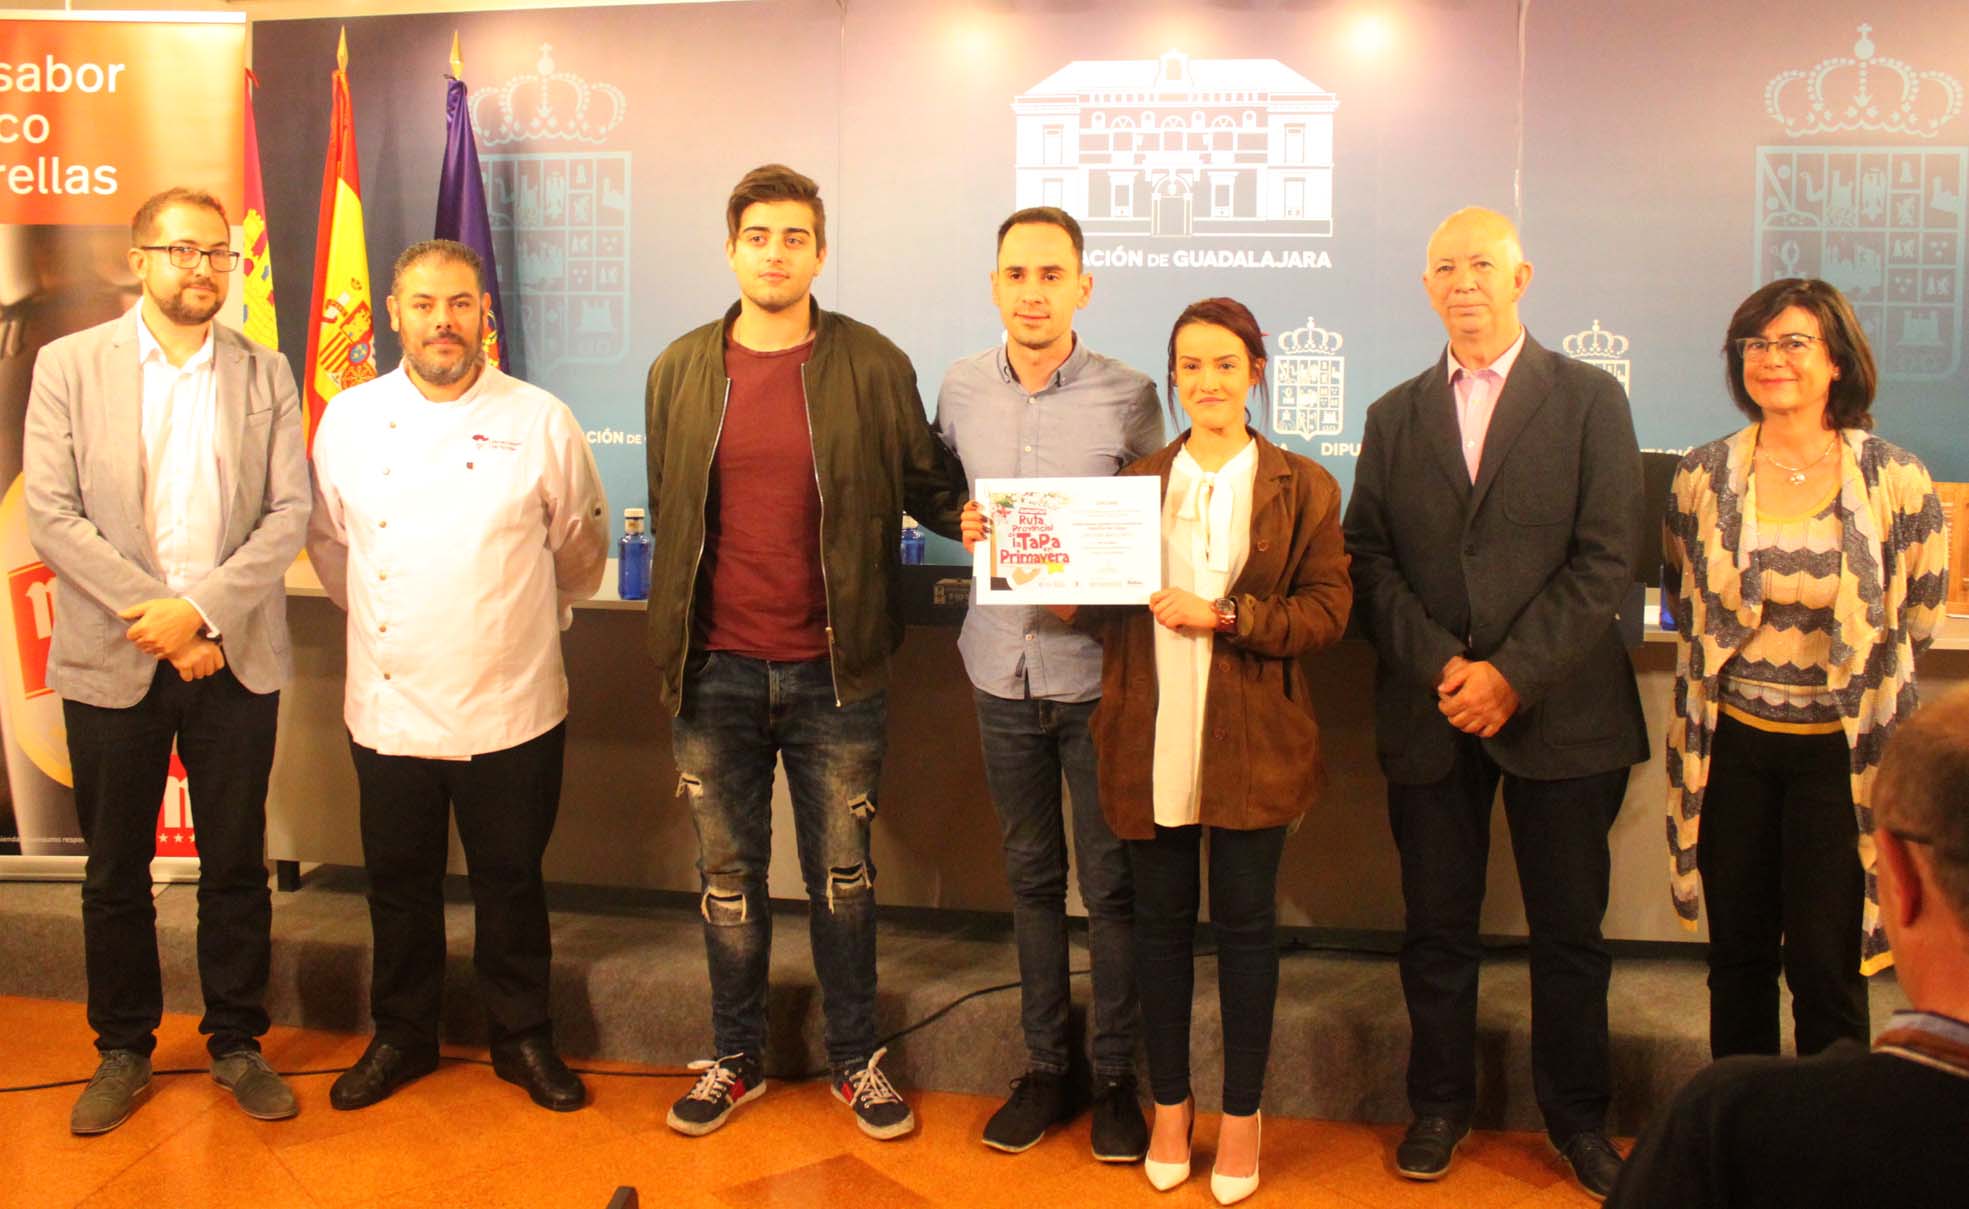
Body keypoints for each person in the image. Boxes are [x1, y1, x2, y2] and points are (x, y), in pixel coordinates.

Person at [644, 164, 967, 1140]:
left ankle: (854, 1059)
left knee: (843, 880)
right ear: (731, 249)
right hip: (714, 672)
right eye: (758, 236)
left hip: (838, 673)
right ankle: (734, 1058)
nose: (775, 253)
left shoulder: (873, 363)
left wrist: (1020, 525)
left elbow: (930, 489)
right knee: (727, 880)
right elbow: (670, 507)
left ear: (820, 254)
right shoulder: (679, 369)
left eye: (794, 237)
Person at [1342, 206, 1648, 1198]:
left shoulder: (1590, 398)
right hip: (1433, 710)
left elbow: (1607, 558)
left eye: (1481, 263)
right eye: (1444, 267)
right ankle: (1438, 1106)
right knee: (1435, 930)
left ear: (1521, 277)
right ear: (1426, 287)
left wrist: (1511, 673)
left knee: (1570, 935)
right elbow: (1368, 558)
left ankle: (1579, 1120)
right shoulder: (1392, 414)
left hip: (1562, 710)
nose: (1462, 281)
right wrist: (1445, 665)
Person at [1021, 297, 1349, 1204]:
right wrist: (1019, 553)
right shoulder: (1135, 483)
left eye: (1224, 364)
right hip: (1148, 735)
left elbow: (1327, 612)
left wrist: (1227, 614)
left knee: (1245, 930)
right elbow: (1091, 604)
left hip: (1256, 743)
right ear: (1172, 378)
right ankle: (1171, 1105)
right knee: (1158, 929)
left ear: (1255, 373)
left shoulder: (1304, 485)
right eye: (1190, 366)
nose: (1207, 381)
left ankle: (1241, 1115)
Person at [24, 187, 310, 1133]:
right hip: (114, 656)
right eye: (182, 250)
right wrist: (161, 619)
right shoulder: (70, 365)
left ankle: (236, 1040)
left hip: (235, 657)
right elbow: (52, 513)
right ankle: (122, 1048)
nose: (202, 268)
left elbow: (288, 514)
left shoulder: (265, 369)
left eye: (217, 252)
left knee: (235, 864)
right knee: (115, 869)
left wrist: (200, 614)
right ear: (139, 258)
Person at [308, 239, 609, 1113]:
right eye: (425, 303)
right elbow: (331, 547)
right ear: (394, 314)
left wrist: (511, 624)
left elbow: (579, 552)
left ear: (484, 314)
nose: (443, 321)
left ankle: (523, 1037)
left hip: (511, 702)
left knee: (511, 882)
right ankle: (402, 1034)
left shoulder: (540, 419)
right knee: (398, 884)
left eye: (460, 304)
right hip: (389, 699)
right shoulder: (349, 418)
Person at [1662, 277, 1950, 1060]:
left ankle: (1831, 1128)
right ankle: (1742, 1119)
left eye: (1793, 342)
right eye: (1754, 344)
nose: (1771, 359)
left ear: (1836, 361)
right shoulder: (1700, 475)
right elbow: (1684, 599)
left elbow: (1918, 616)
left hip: (1840, 757)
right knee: (1737, 960)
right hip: (1731, 750)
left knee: (1827, 967)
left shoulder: (1894, 478)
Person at [932, 207, 1163, 1159]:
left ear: (1083, 287)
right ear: (995, 285)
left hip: (1095, 677)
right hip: (998, 667)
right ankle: (1043, 1067)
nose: (1033, 292)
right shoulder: (957, 386)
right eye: (1017, 274)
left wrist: (1102, 575)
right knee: (1030, 879)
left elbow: (1155, 518)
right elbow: (943, 491)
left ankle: (1113, 1079)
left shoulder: (1131, 394)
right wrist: (960, 519)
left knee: (1110, 887)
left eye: (1051, 274)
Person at [1608, 685, 1969, 1208]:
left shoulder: (1720, 1122)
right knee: (1742, 967)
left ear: (1896, 874)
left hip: (1836, 733)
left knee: (1826, 972)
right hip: (1735, 729)